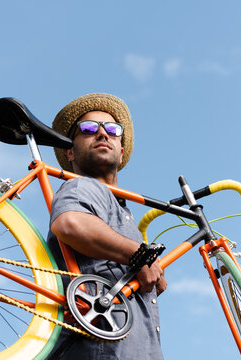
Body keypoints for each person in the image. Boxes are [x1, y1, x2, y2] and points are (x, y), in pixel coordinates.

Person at [46, 93, 166, 359]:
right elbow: (71, 223)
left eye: (112, 130)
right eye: (89, 129)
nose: (102, 134)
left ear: (121, 152)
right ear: (70, 152)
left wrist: (146, 265)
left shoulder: (123, 213)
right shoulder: (83, 186)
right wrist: (139, 255)